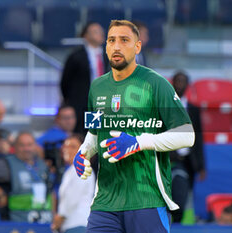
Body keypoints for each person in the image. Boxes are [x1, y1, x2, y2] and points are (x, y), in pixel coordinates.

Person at [73, 20, 195, 233]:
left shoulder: (156, 84)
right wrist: (82, 152)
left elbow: (187, 135)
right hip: (105, 203)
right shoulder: (97, 87)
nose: (116, 46)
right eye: (111, 40)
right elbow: (94, 132)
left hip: (146, 200)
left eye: (124, 40)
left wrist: (139, 142)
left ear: (137, 47)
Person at [0, 132, 53, 223]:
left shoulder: (42, 164)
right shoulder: (7, 163)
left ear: (35, 146)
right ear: (15, 147)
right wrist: (0, 194)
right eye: (22, 145)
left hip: (45, 220)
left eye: (30, 145)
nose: (26, 149)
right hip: (18, 221)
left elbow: (51, 192)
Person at [61, 22, 109, 134]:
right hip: (81, 103)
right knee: (81, 134)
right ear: (86, 35)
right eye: (95, 32)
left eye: (101, 32)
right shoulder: (76, 56)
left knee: (96, 133)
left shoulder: (108, 56)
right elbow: (65, 81)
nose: (101, 34)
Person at [170, 71, 206, 223]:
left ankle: (185, 224)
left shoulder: (194, 109)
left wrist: (202, 165)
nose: (180, 84)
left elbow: (198, 138)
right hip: (170, 158)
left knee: (187, 193)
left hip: (189, 159)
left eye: (183, 81)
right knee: (172, 191)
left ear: (188, 85)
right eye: (177, 81)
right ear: (172, 83)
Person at [51, 134, 95, 233]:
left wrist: (61, 216)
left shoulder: (82, 167)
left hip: (78, 224)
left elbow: (73, 197)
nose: (67, 149)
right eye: (65, 146)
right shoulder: (71, 170)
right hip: (71, 225)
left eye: (73, 146)